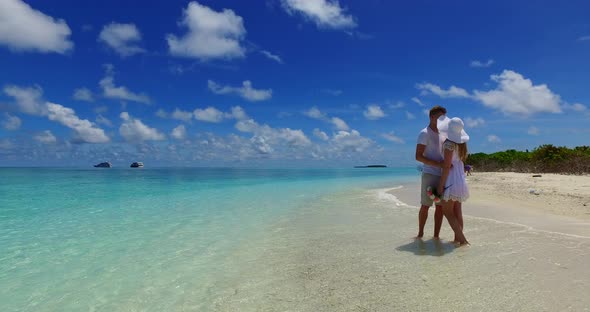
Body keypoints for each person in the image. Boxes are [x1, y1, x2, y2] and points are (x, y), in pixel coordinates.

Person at [415, 105, 447, 238]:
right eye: (440, 117)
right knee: (425, 205)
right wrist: (438, 164)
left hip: (442, 175)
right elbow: (418, 156)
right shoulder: (424, 133)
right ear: (432, 117)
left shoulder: (444, 134)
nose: (443, 120)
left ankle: (436, 236)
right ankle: (420, 234)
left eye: (444, 118)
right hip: (429, 173)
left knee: (440, 207)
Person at [437, 117, 470, 246]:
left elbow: (447, 166)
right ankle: (458, 239)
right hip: (459, 178)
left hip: (451, 178)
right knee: (457, 211)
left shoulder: (449, 144)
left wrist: (441, 185)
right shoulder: (461, 145)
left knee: (447, 211)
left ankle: (463, 240)